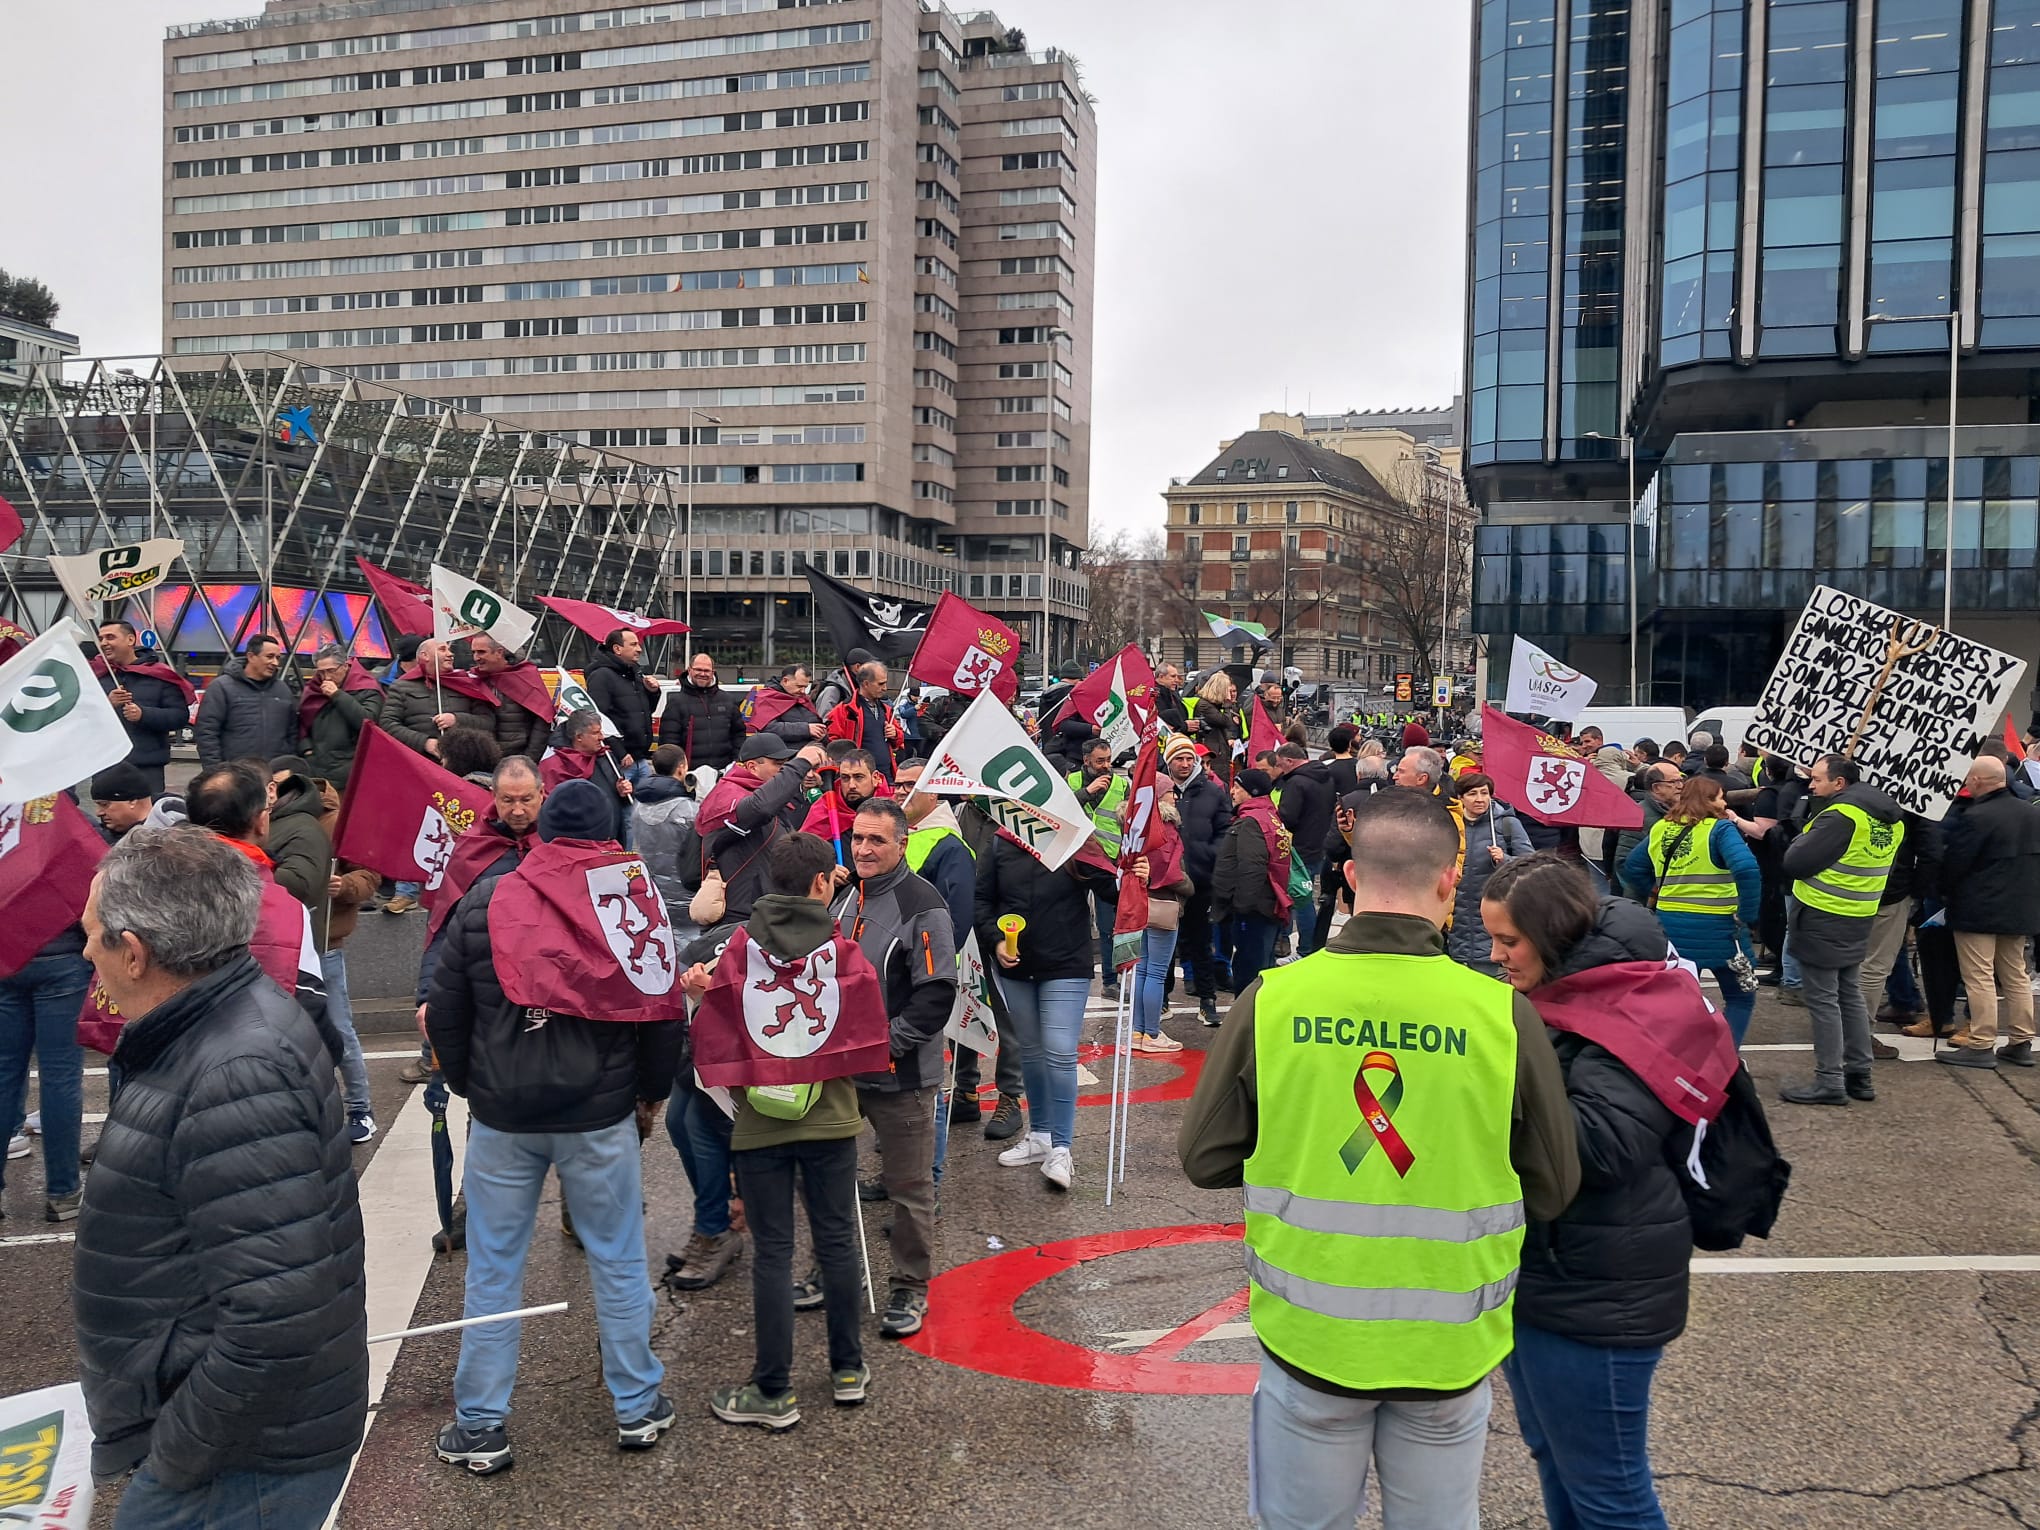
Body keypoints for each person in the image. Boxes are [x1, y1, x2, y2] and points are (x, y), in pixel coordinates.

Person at [1178, 791, 1580, 1530]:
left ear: (1352, 878)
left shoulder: (1273, 999)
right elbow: (1554, 1186)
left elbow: (1204, 1158)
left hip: (1311, 1338)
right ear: (1450, 881)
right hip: (1449, 1345)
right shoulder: (1499, 1013)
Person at [76, 827, 366, 1526]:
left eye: (91, 934)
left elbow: (275, 1318)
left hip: (241, 1462)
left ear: (136, 953)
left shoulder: (234, 1070)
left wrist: (178, 1455)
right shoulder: (224, 1029)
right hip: (239, 1441)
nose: (85, 950)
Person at [426, 780, 684, 1473]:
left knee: (494, 1267)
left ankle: (481, 1424)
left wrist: (467, 1084)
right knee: (619, 1258)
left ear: (542, 826)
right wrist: (650, 1094)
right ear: (608, 832)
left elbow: (446, 1008)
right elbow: (663, 1005)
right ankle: (636, 1407)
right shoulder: (630, 899)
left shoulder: (486, 897)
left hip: (503, 1114)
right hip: (598, 1114)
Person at [1480, 853, 1709, 1530]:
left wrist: (1482, 1101)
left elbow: (1603, 1147)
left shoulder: (1623, 1008)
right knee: (1560, 1460)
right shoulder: (1565, 996)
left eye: (1509, 941)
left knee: (1611, 1493)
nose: (1496, 957)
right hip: (1561, 1270)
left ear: (1552, 937)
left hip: (1600, 1289)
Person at [687, 833, 873, 1431]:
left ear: (771, 880)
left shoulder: (739, 949)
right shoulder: (843, 949)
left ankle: (773, 1389)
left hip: (762, 1121)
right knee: (838, 1240)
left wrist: (700, 993)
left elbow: (717, 1028)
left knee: (774, 1252)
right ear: (822, 882)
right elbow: (867, 1030)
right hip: (832, 1118)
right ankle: (847, 1370)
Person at [831, 799, 957, 1337]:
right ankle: (829, 1272)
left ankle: (909, 1287)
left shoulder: (923, 904)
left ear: (902, 845)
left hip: (900, 1076)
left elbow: (935, 995)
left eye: (876, 841)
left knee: (909, 1191)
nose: (863, 849)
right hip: (840, 1073)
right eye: (858, 838)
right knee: (829, 1180)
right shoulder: (842, 896)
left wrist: (887, 1048)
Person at [976, 809, 1109, 1188]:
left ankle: (1062, 1149)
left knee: (1060, 1050)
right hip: (1016, 968)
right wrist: (996, 940)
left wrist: (1135, 869)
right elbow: (982, 900)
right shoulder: (1001, 842)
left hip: (1066, 964)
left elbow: (1111, 887)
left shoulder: (1075, 840)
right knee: (1030, 1051)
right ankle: (1040, 1136)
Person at [1776, 754, 1905, 1105]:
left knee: (1823, 1001)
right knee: (1849, 994)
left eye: (1817, 779)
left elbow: (1795, 862)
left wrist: (1805, 830)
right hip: (1858, 914)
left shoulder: (1840, 816)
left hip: (1822, 915)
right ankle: (1859, 1076)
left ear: (1840, 783)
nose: (1811, 785)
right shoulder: (1890, 818)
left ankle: (1830, 1079)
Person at [1624, 776, 1763, 1044]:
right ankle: (1725, 1060)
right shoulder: (1720, 830)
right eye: (1720, 796)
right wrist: (1748, 914)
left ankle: (1682, 1060)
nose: (1724, 802)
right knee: (1740, 997)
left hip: (1671, 930)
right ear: (1708, 801)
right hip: (1722, 931)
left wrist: (1655, 893)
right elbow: (1746, 868)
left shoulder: (1662, 828)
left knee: (1679, 1001)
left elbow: (1632, 867)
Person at [1937, 755, 2040, 1069]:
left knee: (1979, 977)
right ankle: (2021, 1040)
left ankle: (1981, 1043)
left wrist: (1941, 889)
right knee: (2015, 975)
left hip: (1978, 907)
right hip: (2020, 905)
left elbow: (1956, 863)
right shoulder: (2032, 813)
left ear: (1977, 781)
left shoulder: (1977, 816)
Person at [697, 735, 828, 921]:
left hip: (763, 910)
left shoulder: (763, 793)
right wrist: (800, 763)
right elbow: (759, 809)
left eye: (786, 763)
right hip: (735, 914)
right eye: (777, 764)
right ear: (752, 767)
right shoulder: (728, 792)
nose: (783, 770)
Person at [1168, 735, 1233, 1027]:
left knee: (1200, 941)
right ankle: (1161, 1000)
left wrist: (1207, 855)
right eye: (1178, 759)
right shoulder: (1159, 790)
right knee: (1164, 945)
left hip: (1200, 879)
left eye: (1188, 759)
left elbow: (1224, 833)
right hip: (1166, 882)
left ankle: (1207, 1001)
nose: (1184, 764)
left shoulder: (1213, 793)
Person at [94, 619, 195, 794]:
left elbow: (179, 717)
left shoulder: (158, 675)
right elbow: (81, 717)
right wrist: (107, 704)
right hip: (106, 764)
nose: (104, 643)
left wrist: (143, 715)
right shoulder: (95, 675)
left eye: (110, 637)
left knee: (147, 819)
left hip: (146, 768)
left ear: (130, 640)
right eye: (101, 638)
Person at [1128, 780, 1193, 1053]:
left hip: (1139, 903)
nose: (1175, 796)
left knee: (1142, 970)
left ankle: (1137, 1031)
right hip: (1163, 905)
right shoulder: (1164, 829)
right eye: (1169, 791)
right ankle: (1152, 1034)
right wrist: (1189, 886)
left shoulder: (1134, 824)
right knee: (1155, 971)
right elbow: (1169, 872)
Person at [1213, 768, 1291, 995]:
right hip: (1268, 904)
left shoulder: (1251, 822)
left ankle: (1247, 1022)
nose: (1233, 791)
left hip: (1255, 909)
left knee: (1249, 969)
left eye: (1238, 787)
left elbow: (1252, 867)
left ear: (1251, 792)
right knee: (1259, 964)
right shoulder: (1268, 816)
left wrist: (1241, 907)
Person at [1448, 773, 1533, 977]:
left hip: (1492, 913)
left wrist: (1504, 859)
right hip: (1456, 917)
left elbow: (1531, 864)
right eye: (1472, 794)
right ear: (1461, 798)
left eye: (1484, 793)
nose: (1479, 799)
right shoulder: (1450, 824)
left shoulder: (1506, 824)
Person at [1067, 736, 1129, 994]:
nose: (1105, 766)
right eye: (1099, 761)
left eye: (1108, 760)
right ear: (1086, 761)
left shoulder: (1121, 784)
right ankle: (1070, 975)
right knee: (1071, 919)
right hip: (1076, 862)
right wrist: (1087, 792)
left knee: (1108, 926)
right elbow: (1061, 810)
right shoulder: (1071, 781)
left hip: (1108, 861)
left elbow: (1129, 820)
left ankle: (1110, 981)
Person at [193, 632, 296, 772]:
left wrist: (287, 766)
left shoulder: (282, 690)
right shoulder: (222, 687)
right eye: (269, 657)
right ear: (251, 656)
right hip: (235, 776)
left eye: (278, 658)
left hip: (274, 774)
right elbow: (207, 733)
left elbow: (292, 732)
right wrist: (215, 773)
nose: (275, 663)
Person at [1272, 742, 1336, 956]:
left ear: (1290, 761)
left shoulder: (1297, 782)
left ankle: (1305, 948)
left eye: (1281, 765)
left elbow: (1288, 817)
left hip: (1299, 846)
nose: (1280, 770)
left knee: (1301, 899)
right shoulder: (1325, 776)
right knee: (1305, 895)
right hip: (1319, 843)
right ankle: (1308, 945)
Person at [295, 642, 384, 789]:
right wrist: (307, 750)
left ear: (345, 666)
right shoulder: (313, 689)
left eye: (331, 671)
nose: (326, 677)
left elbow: (368, 722)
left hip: (351, 768)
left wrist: (337, 695)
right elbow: (302, 722)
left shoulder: (366, 687)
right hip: (317, 766)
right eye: (321, 672)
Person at [543, 707, 630, 839]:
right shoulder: (553, 766)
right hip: (577, 842)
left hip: (612, 839)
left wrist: (622, 792)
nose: (601, 737)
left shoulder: (606, 757)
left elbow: (620, 798)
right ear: (579, 737)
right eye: (595, 733)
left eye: (601, 731)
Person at [468, 632, 552, 761]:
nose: (476, 658)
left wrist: (529, 759)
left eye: (481, 652)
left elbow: (542, 720)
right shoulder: (475, 680)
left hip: (518, 758)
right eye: (473, 652)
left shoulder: (525, 677)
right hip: (485, 759)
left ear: (499, 652)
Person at [660, 649, 745, 773]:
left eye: (706, 670)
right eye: (698, 670)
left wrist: (735, 762)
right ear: (689, 670)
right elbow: (669, 741)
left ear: (713, 672)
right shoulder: (676, 702)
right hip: (689, 774)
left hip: (723, 773)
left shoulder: (727, 700)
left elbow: (739, 735)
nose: (703, 674)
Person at [1613, 762, 1682, 901]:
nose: (1680, 786)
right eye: (1673, 782)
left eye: (1681, 780)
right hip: (1646, 902)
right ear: (1656, 787)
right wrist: (1655, 892)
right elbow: (1623, 863)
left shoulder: (1684, 813)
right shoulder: (1638, 816)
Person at [826, 661, 906, 781]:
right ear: (866, 684)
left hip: (886, 775)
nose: (885, 688)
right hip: (859, 778)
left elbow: (900, 739)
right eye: (880, 684)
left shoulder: (887, 710)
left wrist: (895, 734)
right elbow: (834, 746)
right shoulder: (844, 711)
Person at [799, 747, 889, 848]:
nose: (851, 785)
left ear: (876, 778)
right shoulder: (823, 808)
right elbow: (803, 849)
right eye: (845, 778)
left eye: (858, 777)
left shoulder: (892, 807)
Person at [745, 663, 828, 748]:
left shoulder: (803, 699)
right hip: (783, 755)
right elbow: (767, 729)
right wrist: (806, 729)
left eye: (805, 687)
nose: (803, 691)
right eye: (799, 686)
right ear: (785, 681)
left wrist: (822, 736)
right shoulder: (767, 698)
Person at [1192, 670, 1242, 783]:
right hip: (1213, 754)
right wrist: (1228, 705)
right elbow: (1226, 721)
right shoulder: (1205, 706)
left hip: (1219, 751)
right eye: (1227, 691)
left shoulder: (1213, 706)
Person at [92, 763, 158, 842]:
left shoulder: (166, 842)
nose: (98, 813)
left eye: (104, 804)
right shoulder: (99, 838)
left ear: (132, 801)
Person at [1152, 662, 1191, 735]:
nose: (1177, 680)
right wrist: (1184, 726)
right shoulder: (1153, 695)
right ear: (1161, 677)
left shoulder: (1173, 693)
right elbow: (1160, 722)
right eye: (1173, 676)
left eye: (1177, 676)